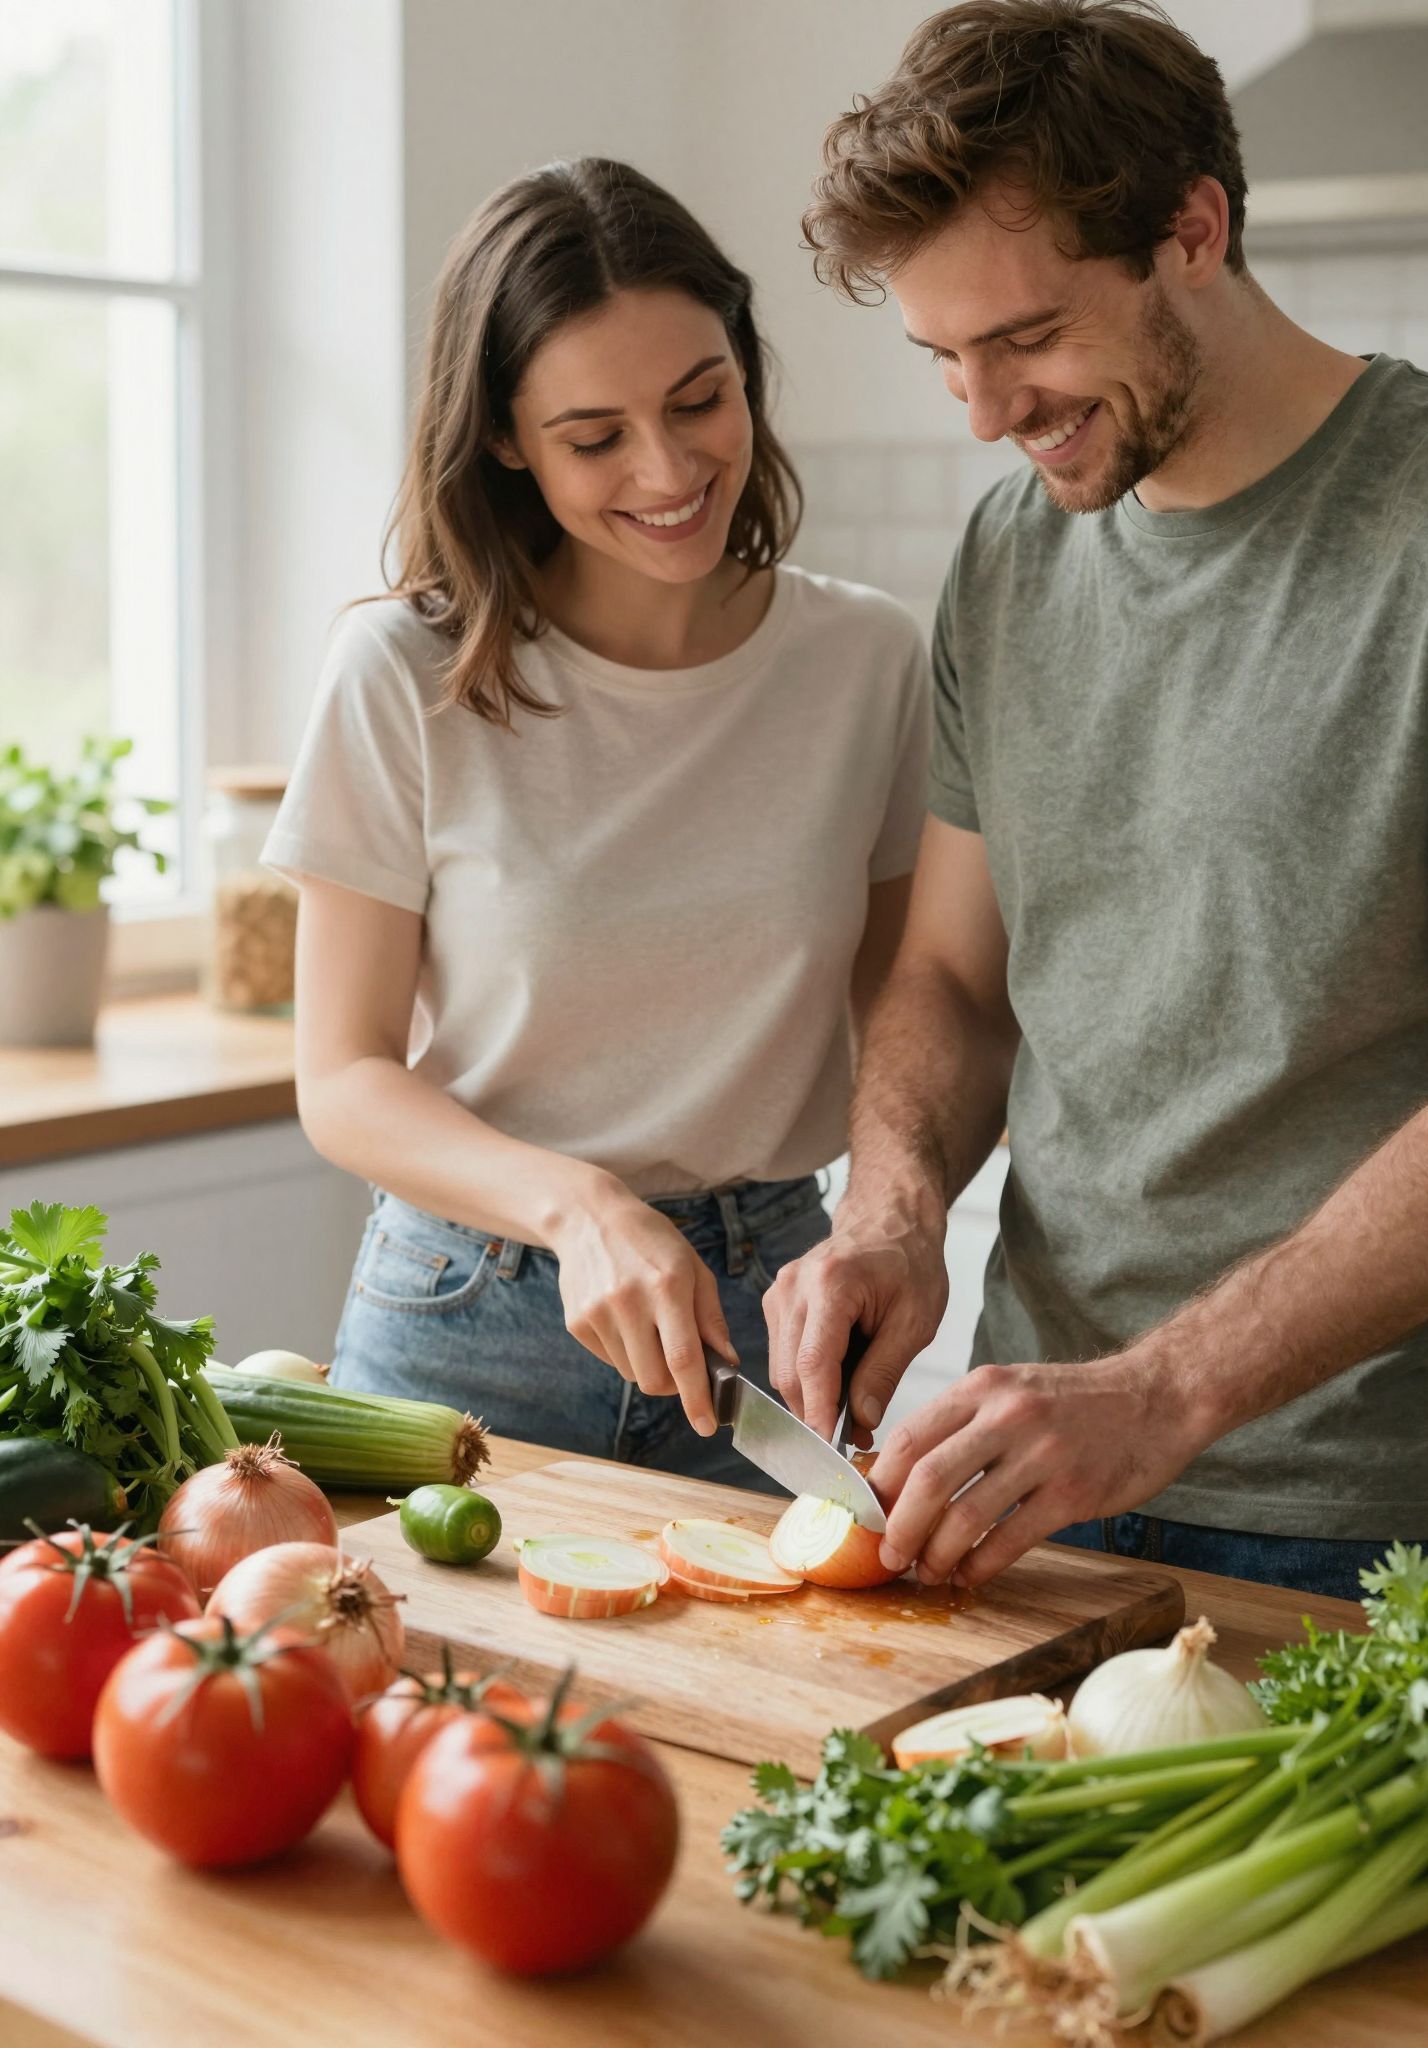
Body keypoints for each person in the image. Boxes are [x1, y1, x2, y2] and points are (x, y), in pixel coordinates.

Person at [765, 0, 1428, 1596]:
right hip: (1030, 1473)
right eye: (944, 359)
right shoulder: (1011, 552)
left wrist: (1163, 1394)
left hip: (1371, 1518)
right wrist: (896, 1211)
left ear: (1195, 231)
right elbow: (953, 984)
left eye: (1027, 340)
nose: (985, 413)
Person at [264, 158, 930, 1490]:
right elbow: (340, 1078)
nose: (671, 469)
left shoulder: (868, 661)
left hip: (765, 1327)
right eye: (595, 437)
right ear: (506, 436)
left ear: (747, 366)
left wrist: (892, 1221)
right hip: (469, 1316)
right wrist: (580, 1207)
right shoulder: (406, 671)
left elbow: (913, 1012)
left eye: (702, 401)